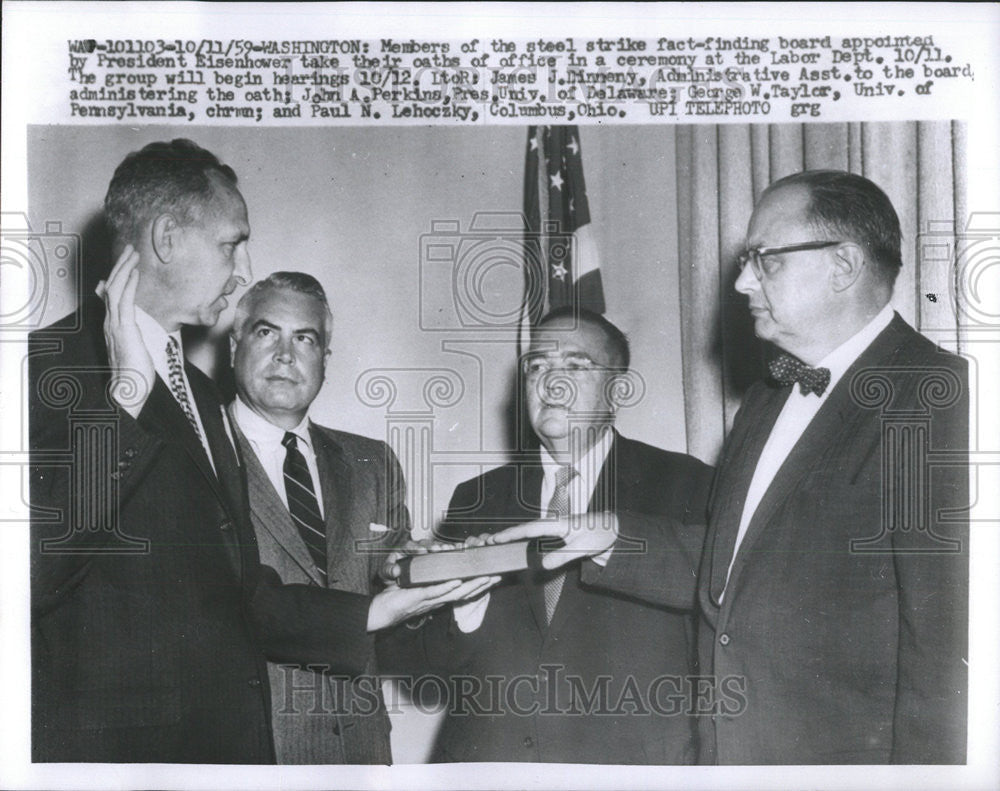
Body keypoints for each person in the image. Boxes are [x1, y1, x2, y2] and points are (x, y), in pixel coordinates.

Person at [28, 139, 493, 763]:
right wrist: (127, 397)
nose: (242, 268)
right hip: (119, 761)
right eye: (230, 243)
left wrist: (382, 608)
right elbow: (33, 565)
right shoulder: (39, 365)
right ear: (167, 237)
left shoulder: (195, 390)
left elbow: (239, 591)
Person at [499, 170, 969, 764]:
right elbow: (733, 569)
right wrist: (608, 538)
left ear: (843, 266)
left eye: (763, 260)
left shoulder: (937, 397)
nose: (743, 282)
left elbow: (949, 649)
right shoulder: (768, 397)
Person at [397, 307, 713, 764]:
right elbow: (427, 667)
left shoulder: (688, 486)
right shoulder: (477, 499)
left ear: (618, 390)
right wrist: (464, 612)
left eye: (575, 366)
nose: (551, 383)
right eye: (537, 367)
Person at [228, 271, 409, 763]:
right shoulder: (199, 455)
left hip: (359, 751)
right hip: (249, 751)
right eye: (267, 332)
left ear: (325, 360)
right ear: (233, 345)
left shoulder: (373, 462)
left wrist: (424, 570)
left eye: (304, 338)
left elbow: (397, 600)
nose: (285, 355)